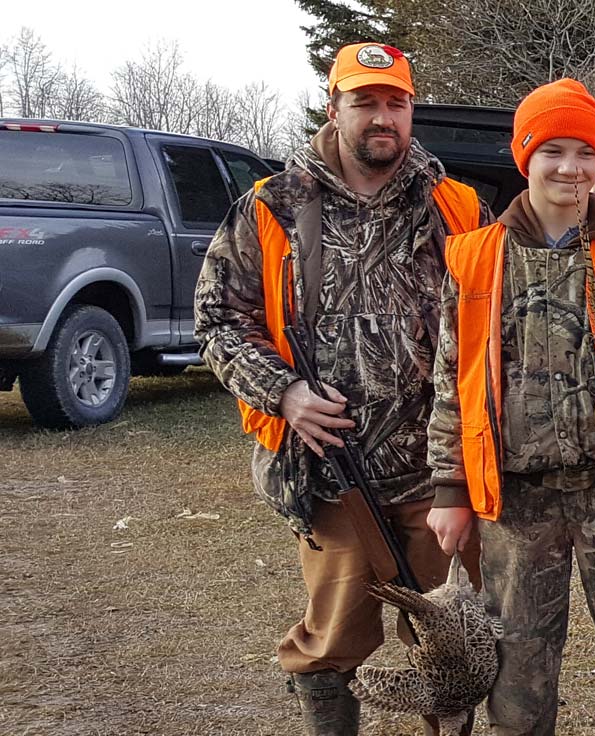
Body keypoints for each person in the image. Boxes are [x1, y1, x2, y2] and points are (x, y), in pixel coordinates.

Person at [194, 40, 486, 736]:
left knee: (456, 643)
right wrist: (285, 393)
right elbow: (217, 319)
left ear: (411, 111)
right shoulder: (270, 207)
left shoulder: (456, 206)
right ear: (334, 108)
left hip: (441, 473)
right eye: (365, 102)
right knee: (329, 646)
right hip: (333, 475)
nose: (382, 117)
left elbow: (489, 319)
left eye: (396, 103)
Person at [422, 78, 595, 735]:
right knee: (516, 683)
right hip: (518, 502)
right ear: (525, 157)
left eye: (585, 153)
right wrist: (450, 487)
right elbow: (453, 380)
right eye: (553, 151)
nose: (570, 167)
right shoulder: (475, 257)